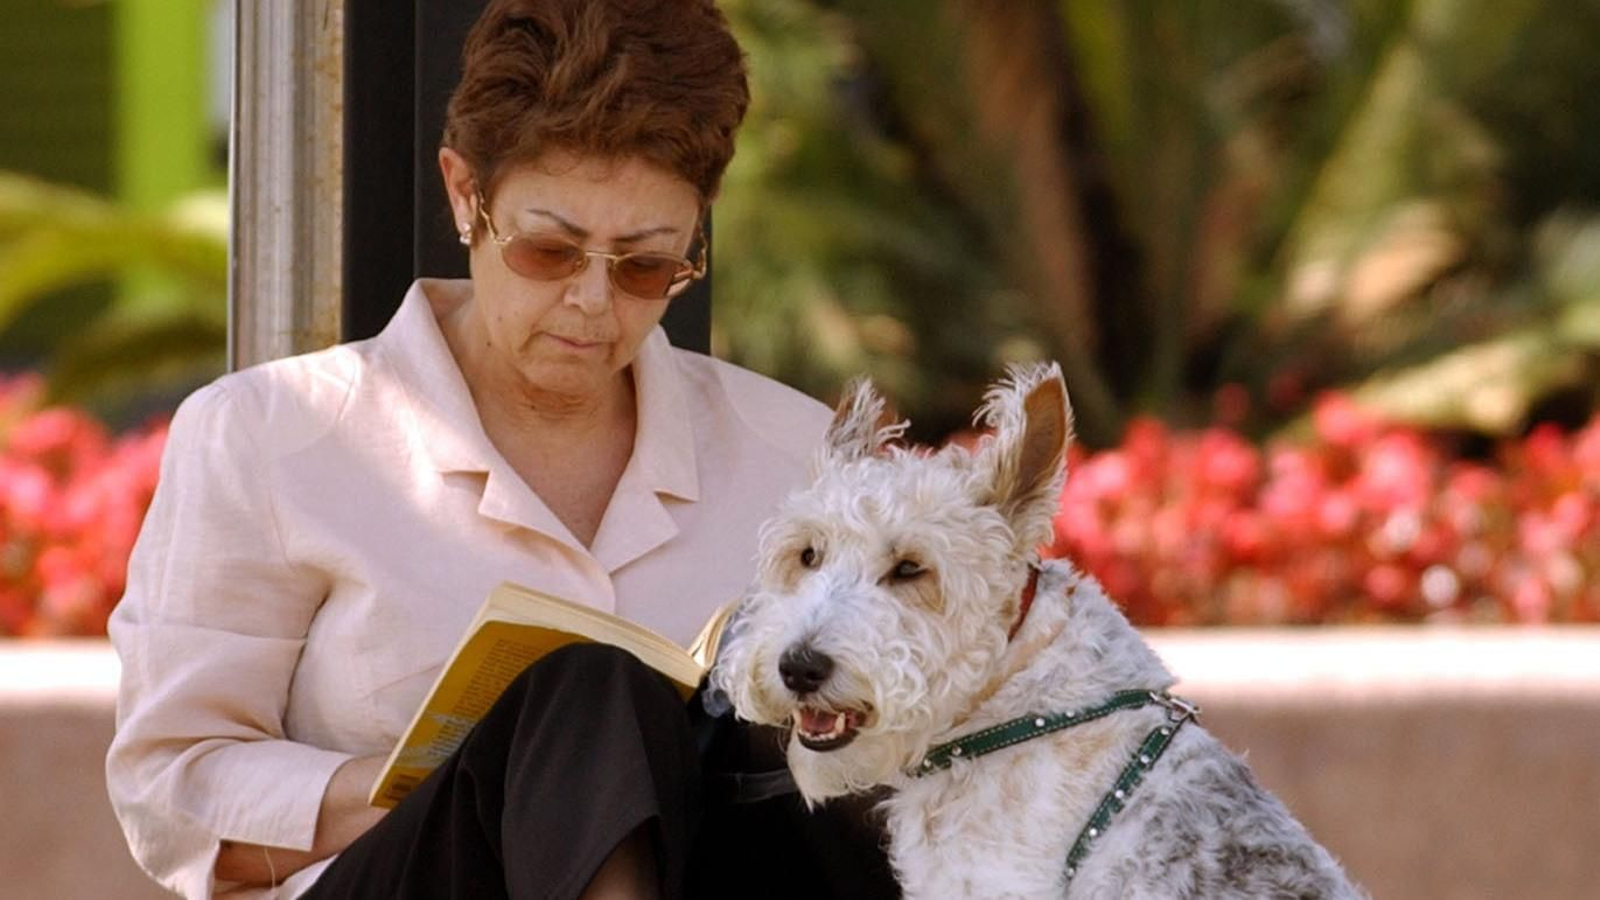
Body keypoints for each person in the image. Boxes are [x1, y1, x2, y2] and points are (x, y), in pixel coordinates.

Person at [105, 2, 899, 898]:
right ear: (462, 194)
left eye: (645, 267)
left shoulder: (795, 454)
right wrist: (487, 787)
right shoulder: (268, 435)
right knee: (589, 697)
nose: (594, 304)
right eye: (549, 251)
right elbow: (171, 794)